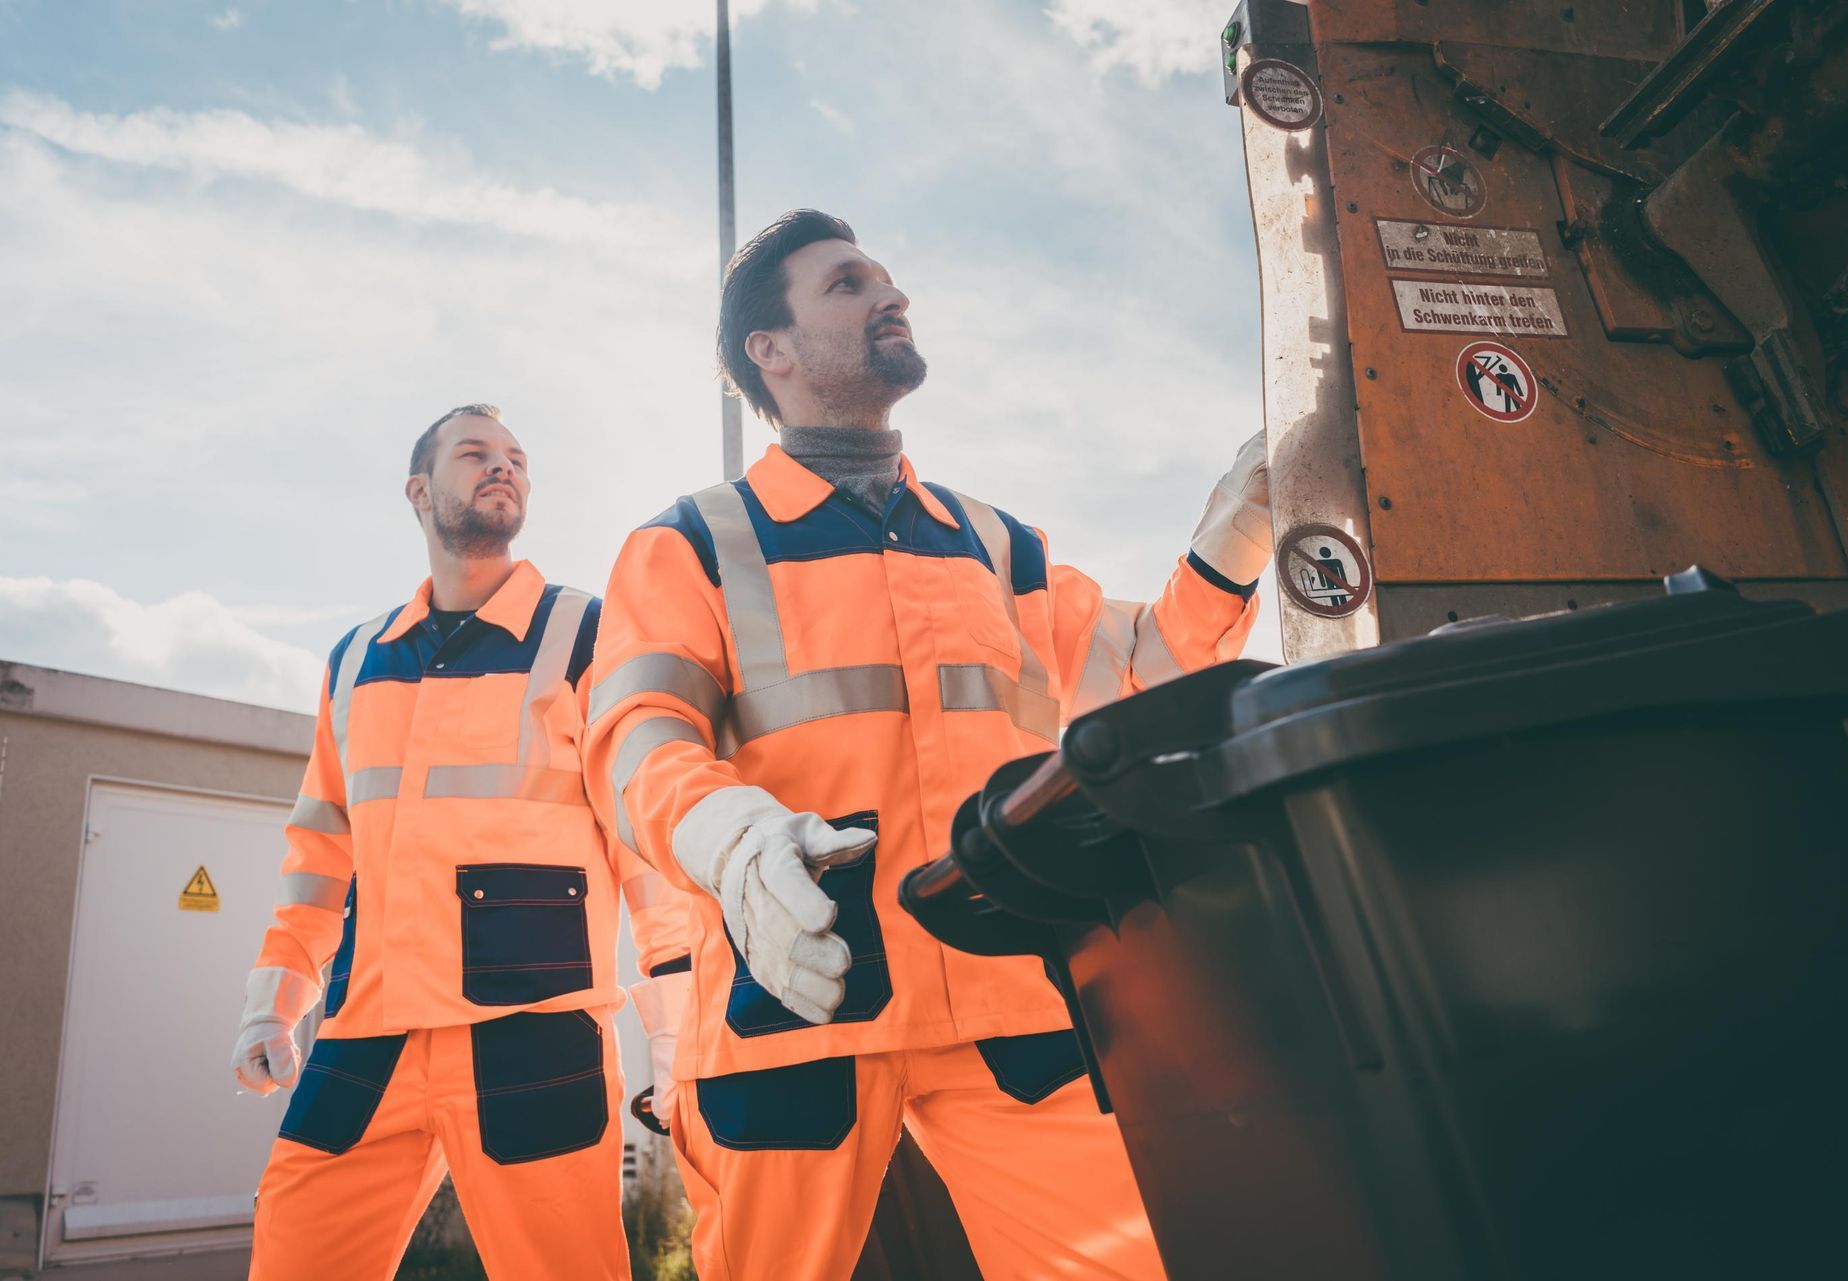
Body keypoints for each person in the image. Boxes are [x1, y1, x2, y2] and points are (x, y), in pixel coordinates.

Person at [585, 210, 1272, 1280]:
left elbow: (1143, 661)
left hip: (1006, 983)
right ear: (769, 350)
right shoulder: (690, 544)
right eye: (849, 285)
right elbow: (639, 731)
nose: (889, 296)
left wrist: (1237, 530)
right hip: (802, 993)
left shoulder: (997, 544)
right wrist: (725, 835)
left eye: (890, 281)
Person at [230, 404, 690, 1280]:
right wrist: (274, 1001)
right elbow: (321, 847)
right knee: (292, 1257)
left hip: (533, 1035)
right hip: (367, 1033)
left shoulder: (585, 635)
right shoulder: (356, 659)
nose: (502, 467)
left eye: (516, 457)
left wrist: (677, 1017)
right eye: (474, 453)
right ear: (418, 490)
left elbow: (647, 841)